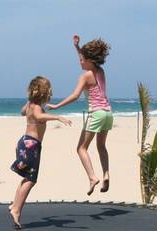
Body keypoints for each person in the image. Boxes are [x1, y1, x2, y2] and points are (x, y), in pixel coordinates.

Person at [47, 35, 112, 195]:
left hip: (96, 113)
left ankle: (92, 178)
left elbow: (75, 96)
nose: (79, 61)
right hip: (108, 113)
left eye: (81, 59)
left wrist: (57, 106)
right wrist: (77, 47)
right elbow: (86, 59)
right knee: (101, 146)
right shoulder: (100, 71)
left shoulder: (85, 76)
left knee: (81, 148)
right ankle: (106, 174)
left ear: (89, 60)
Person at [9, 76, 72, 229]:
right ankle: (16, 209)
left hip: (24, 143)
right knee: (31, 179)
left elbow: (23, 112)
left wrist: (30, 102)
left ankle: (14, 206)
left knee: (26, 177)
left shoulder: (30, 104)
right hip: (32, 146)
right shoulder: (37, 108)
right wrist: (57, 116)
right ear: (45, 94)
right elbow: (38, 116)